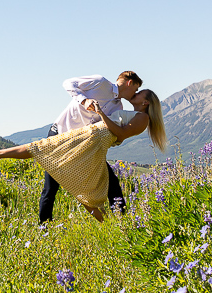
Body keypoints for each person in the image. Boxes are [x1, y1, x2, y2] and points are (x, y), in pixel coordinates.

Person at [0, 87, 167, 222]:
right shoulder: (131, 113)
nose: (136, 93)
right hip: (92, 137)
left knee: (46, 148)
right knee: (70, 175)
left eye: (139, 93)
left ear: (146, 102)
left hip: (93, 139)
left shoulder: (143, 118)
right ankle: (112, 225)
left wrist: (101, 113)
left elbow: (121, 133)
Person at [39, 72, 142, 223]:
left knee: (111, 182)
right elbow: (68, 83)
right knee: (50, 187)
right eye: (136, 89)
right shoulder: (100, 83)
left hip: (82, 145)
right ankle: (43, 227)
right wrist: (84, 100)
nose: (136, 93)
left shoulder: (118, 107)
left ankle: (122, 223)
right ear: (129, 83)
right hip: (60, 135)